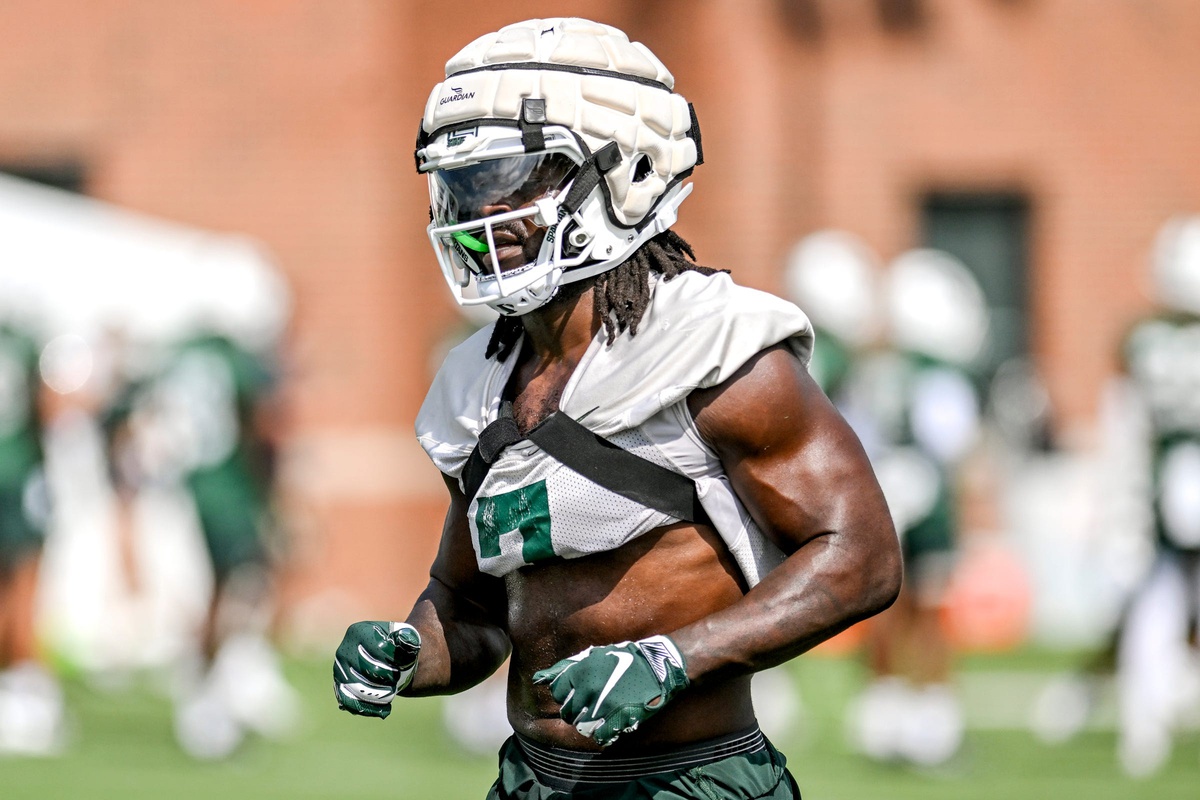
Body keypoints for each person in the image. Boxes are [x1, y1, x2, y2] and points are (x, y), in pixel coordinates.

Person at [333, 17, 901, 798]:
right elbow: (473, 608)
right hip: (533, 780)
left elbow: (862, 559)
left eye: (512, 179)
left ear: (627, 173)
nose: (477, 213)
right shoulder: (475, 384)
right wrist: (408, 647)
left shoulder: (715, 351)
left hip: (692, 781)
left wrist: (677, 658)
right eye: (463, 184)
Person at [843, 249, 987, 768]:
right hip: (927, 502)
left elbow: (854, 433)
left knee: (884, 608)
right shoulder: (937, 374)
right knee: (931, 612)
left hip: (881, 495)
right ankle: (931, 720)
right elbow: (952, 442)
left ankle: (883, 712)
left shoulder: (873, 367)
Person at [1110, 214, 1200, 778]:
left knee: (1156, 601)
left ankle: (1143, 722)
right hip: (1182, 472)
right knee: (1161, 598)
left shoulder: (1146, 340)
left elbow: (1125, 426)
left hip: (1168, 479)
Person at [0, 308, 62, 757]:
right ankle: (22, 694)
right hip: (17, 475)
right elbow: (48, 409)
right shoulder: (21, 339)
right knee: (24, 585)